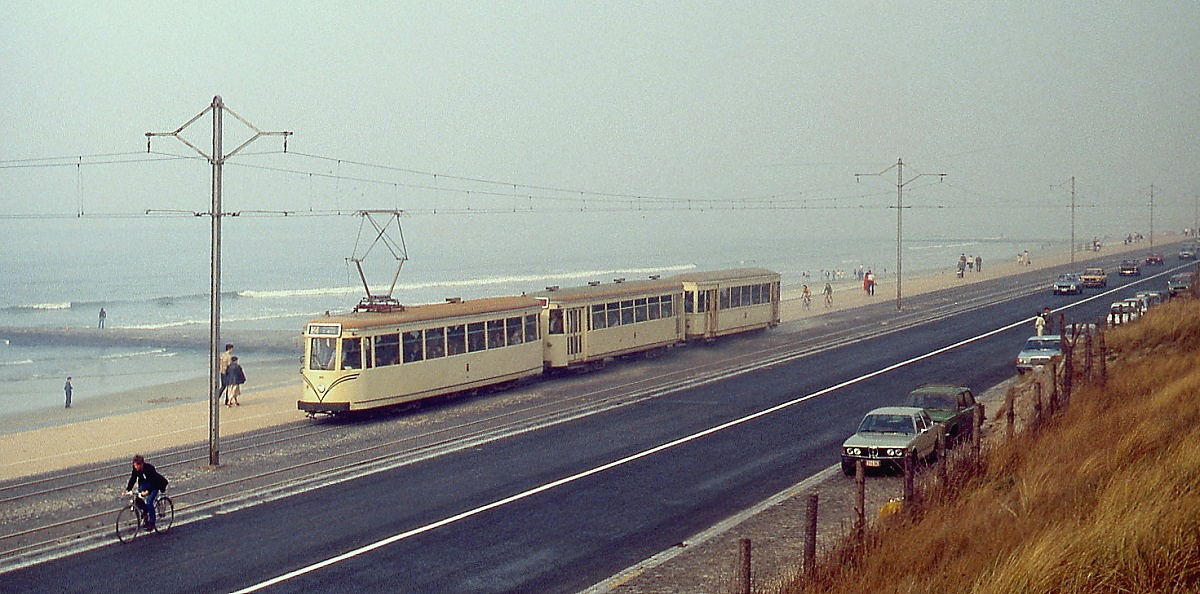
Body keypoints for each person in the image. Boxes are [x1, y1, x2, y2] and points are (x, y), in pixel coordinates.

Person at [124, 454, 168, 531]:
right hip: (145, 484)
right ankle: (145, 511)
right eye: (135, 465)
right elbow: (133, 478)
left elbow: (154, 482)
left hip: (155, 485)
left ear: (142, 464)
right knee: (137, 499)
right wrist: (128, 490)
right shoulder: (136, 469)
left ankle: (152, 523)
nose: (136, 467)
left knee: (149, 502)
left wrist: (147, 492)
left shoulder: (149, 469)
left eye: (138, 465)